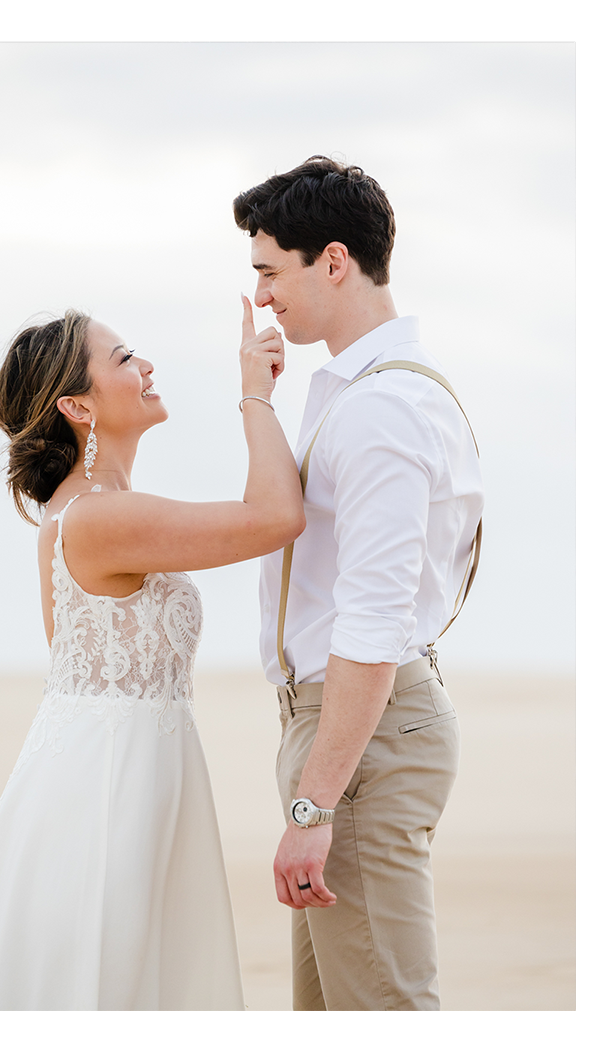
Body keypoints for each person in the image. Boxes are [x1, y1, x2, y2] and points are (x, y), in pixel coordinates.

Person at [0, 303, 304, 1012]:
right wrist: (254, 392)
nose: (146, 366)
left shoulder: (85, 509)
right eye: (125, 358)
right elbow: (275, 519)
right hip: (110, 779)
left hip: (117, 758)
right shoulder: (101, 518)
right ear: (76, 404)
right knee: (111, 969)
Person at [233, 156, 484, 1011]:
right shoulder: (365, 392)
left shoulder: (378, 408)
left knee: (383, 1012)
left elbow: (372, 621)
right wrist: (257, 402)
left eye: (269, 269)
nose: (261, 295)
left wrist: (311, 811)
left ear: (331, 260)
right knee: (333, 1015)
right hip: (354, 730)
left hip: (361, 735)